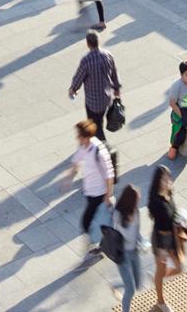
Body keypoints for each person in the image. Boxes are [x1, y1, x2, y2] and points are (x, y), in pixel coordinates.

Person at [69, 119, 115, 253]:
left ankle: (98, 245)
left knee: (86, 222)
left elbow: (109, 174)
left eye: (79, 135)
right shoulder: (84, 146)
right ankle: (100, 244)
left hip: (99, 193)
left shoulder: (99, 151)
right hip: (89, 191)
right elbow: (76, 160)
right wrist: (69, 178)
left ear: (86, 137)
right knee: (95, 221)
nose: (77, 137)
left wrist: (108, 196)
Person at [69, 30, 121, 140]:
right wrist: (117, 88)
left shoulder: (86, 60)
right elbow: (114, 73)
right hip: (107, 98)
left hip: (93, 102)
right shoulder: (108, 55)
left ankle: (102, 145)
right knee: (99, 121)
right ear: (98, 41)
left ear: (88, 43)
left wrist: (73, 89)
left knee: (95, 127)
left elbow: (79, 78)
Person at [148, 167, 186, 310]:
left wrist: (180, 218)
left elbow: (172, 213)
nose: (168, 181)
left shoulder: (169, 193)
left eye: (169, 178)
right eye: (165, 179)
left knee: (180, 267)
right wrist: (162, 250)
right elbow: (160, 225)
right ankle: (161, 302)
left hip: (172, 237)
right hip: (161, 240)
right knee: (161, 269)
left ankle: (158, 279)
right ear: (158, 181)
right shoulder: (155, 202)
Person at [111, 183, 144, 312]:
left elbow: (137, 231)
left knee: (138, 284)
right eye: (137, 200)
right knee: (130, 290)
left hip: (134, 251)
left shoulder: (136, 212)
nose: (138, 202)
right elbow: (127, 236)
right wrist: (135, 239)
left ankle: (116, 285)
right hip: (123, 254)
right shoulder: (118, 215)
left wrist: (143, 241)